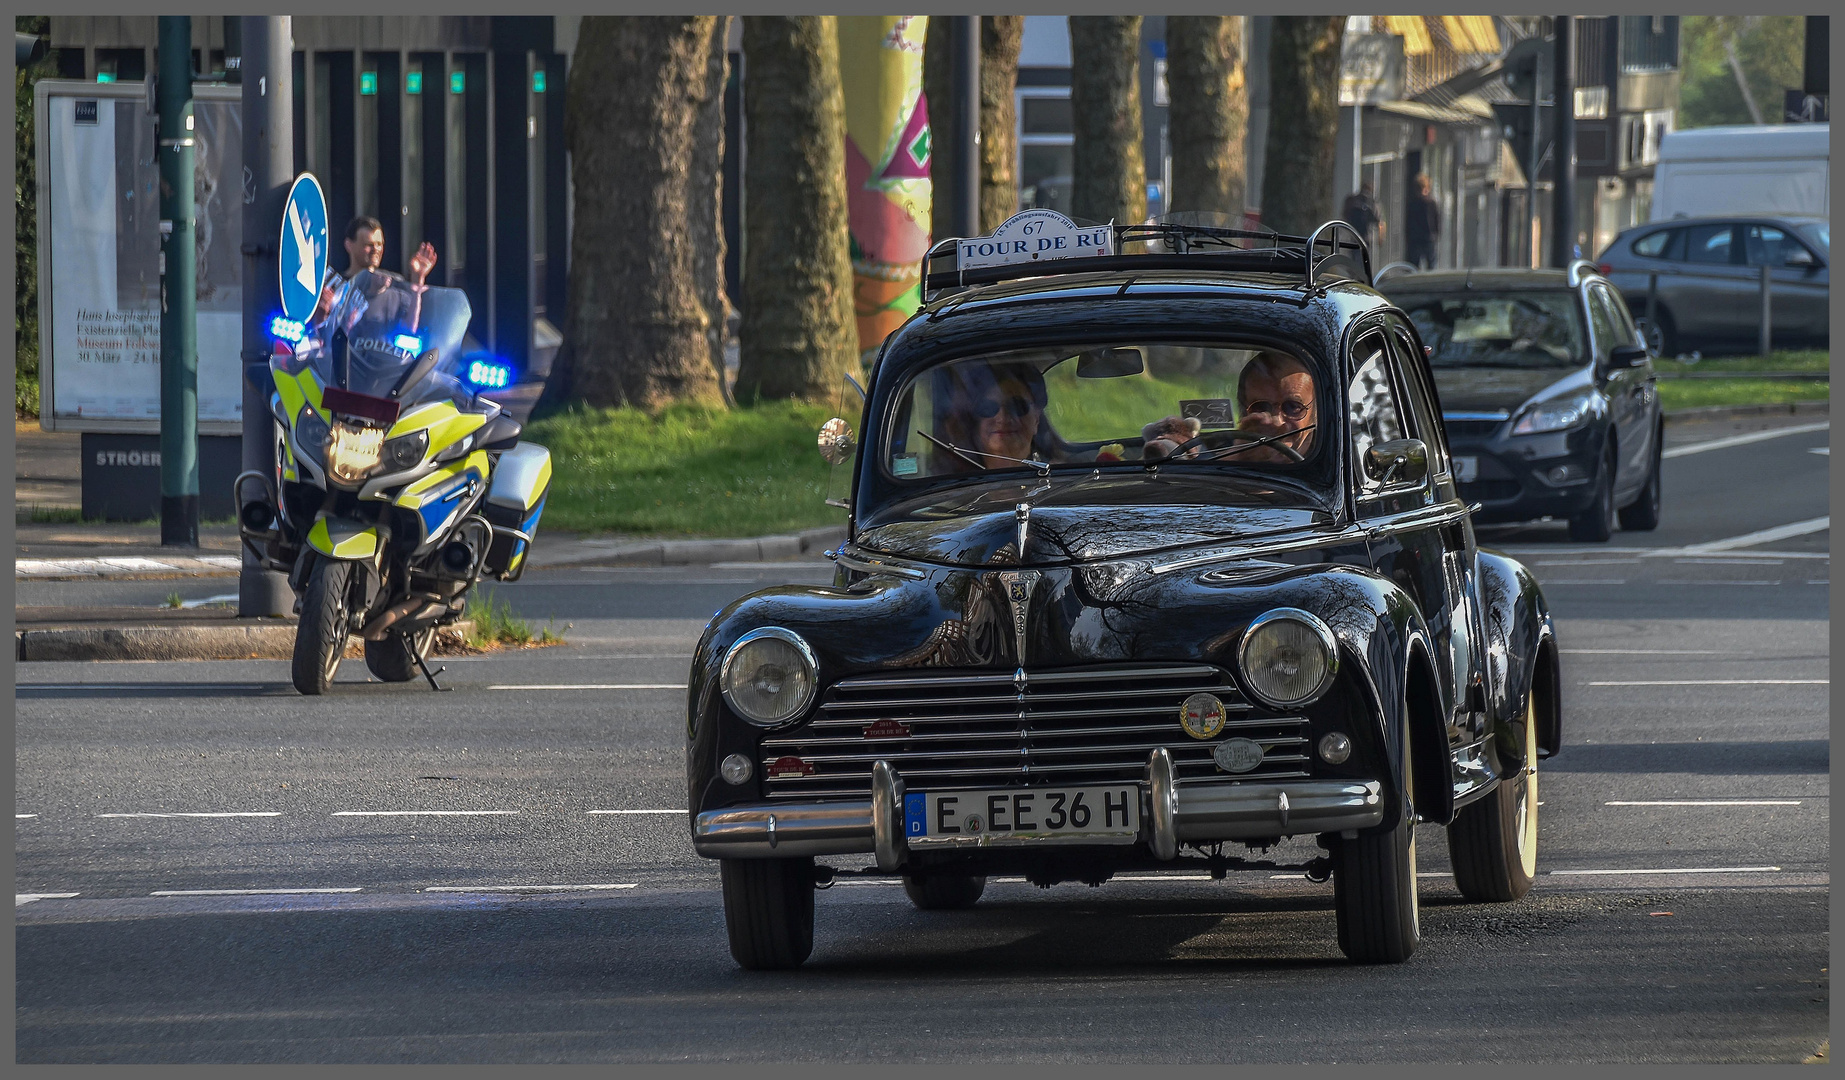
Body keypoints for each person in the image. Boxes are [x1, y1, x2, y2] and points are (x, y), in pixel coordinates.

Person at [313, 216, 437, 323]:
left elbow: (410, 328)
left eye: (379, 244)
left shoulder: (394, 284)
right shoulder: (331, 285)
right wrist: (322, 313)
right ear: (349, 245)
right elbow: (319, 332)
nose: (376, 249)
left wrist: (418, 277)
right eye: (369, 245)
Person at [933, 362, 1052, 471]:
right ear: (976, 422)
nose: (1002, 418)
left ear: (1036, 418)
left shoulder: (1057, 476)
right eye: (988, 407)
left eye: (1017, 406)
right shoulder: (954, 485)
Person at [1234, 351, 1318, 463]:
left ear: (1316, 414)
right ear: (1244, 413)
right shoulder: (1219, 455)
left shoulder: (1336, 463)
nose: (1276, 422)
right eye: (1261, 407)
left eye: (1292, 407)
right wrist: (1240, 457)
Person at [1403, 174, 1440, 270]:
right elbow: (1436, 221)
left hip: (1418, 238)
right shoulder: (1430, 202)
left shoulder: (1413, 203)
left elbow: (1409, 222)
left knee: (1414, 265)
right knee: (1429, 265)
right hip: (1425, 238)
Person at [1340, 182, 1384, 254]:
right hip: (1366, 237)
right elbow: (1379, 221)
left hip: (1353, 234)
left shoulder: (1352, 199)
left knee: (1354, 255)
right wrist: (1380, 238)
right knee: (1364, 257)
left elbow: (1344, 215)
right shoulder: (1372, 203)